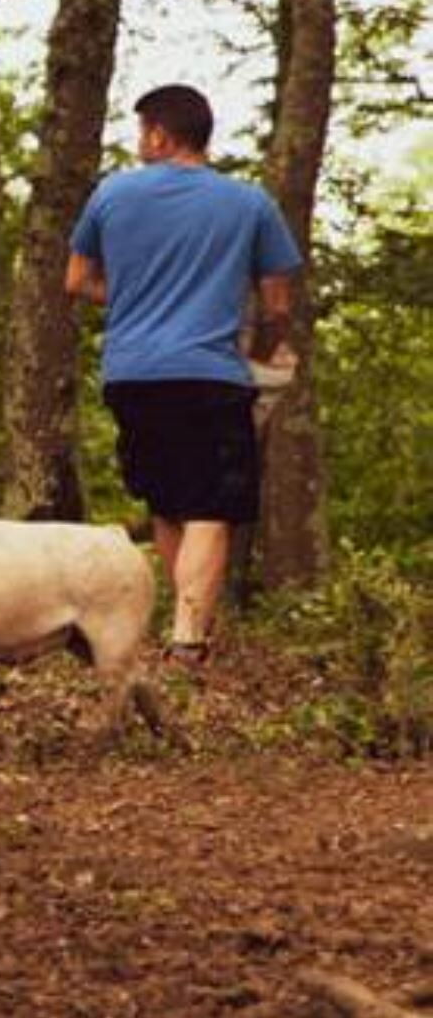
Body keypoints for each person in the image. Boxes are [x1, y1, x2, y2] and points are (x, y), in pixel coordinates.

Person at [65, 84, 303, 667]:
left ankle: (183, 628)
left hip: (131, 375)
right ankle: (189, 640)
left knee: (167, 503)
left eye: (141, 131)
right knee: (209, 507)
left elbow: (77, 280)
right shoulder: (250, 203)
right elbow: (277, 305)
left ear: (158, 135)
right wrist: (264, 354)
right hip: (210, 376)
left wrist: (137, 298)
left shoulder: (112, 193)